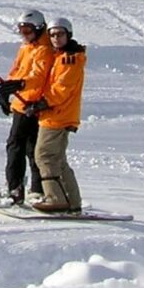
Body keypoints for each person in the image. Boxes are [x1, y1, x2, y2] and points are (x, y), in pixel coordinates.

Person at [28, 16, 86, 214]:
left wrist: (42, 103)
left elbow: (62, 88)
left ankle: (56, 199)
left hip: (57, 116)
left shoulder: (69, 59)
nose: (55, 38)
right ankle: (72, 201)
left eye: (60, 34)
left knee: (44, 156)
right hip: (57, 114)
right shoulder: (62, 56)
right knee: (58, 159)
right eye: (52, 35)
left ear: (68, 34)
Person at [0, 9, 50, 204]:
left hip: (32, 105)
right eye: (21, 30)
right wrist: (7, 91)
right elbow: (16, 70)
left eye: (28, 31)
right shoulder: (26, 47)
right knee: (29, 147)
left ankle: (16, 190)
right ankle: (36, 189)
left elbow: (38, 77)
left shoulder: (44, 49)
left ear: (39, 28)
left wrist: (20, 85)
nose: (24, 35)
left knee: (17, 146)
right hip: (20, 103)